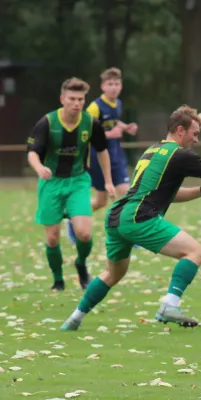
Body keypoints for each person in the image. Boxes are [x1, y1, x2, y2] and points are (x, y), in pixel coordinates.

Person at [60, 105, 201, 331]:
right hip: (139, 217)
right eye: (194, 134)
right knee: (195, 252)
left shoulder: (153, 150)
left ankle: (74, 319)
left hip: (117, 218)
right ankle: (169, 304)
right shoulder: (179, 155)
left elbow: (168, 195)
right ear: (180, 130)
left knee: (112, 274)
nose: (196, 140)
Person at [26, 77, 115, 291]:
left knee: (84, 234)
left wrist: (109, 181)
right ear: (62, 99)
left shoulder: (91, 123)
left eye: (80, 99)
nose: (77, 103)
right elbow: (32, 153)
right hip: (51, 183)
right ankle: (58, 280)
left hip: (78, 181)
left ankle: (81, 264)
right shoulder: (47, 122)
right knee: (53, 238)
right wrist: (40, 169)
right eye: (72, 99)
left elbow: (103, 152)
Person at [67, 67, 137, 244]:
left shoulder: (118, 103)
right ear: (102, 86)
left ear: (121, 86)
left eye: (117, 83)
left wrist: (126, 127)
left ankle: (131, 235)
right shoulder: (94, 107)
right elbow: (85, 133)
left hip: (116, 154)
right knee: (100, 201)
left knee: (126, 194)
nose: (114, 87)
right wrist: (109, 135)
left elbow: (112, 122)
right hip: (98, 158)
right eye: (110, 84)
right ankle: (73, 216)